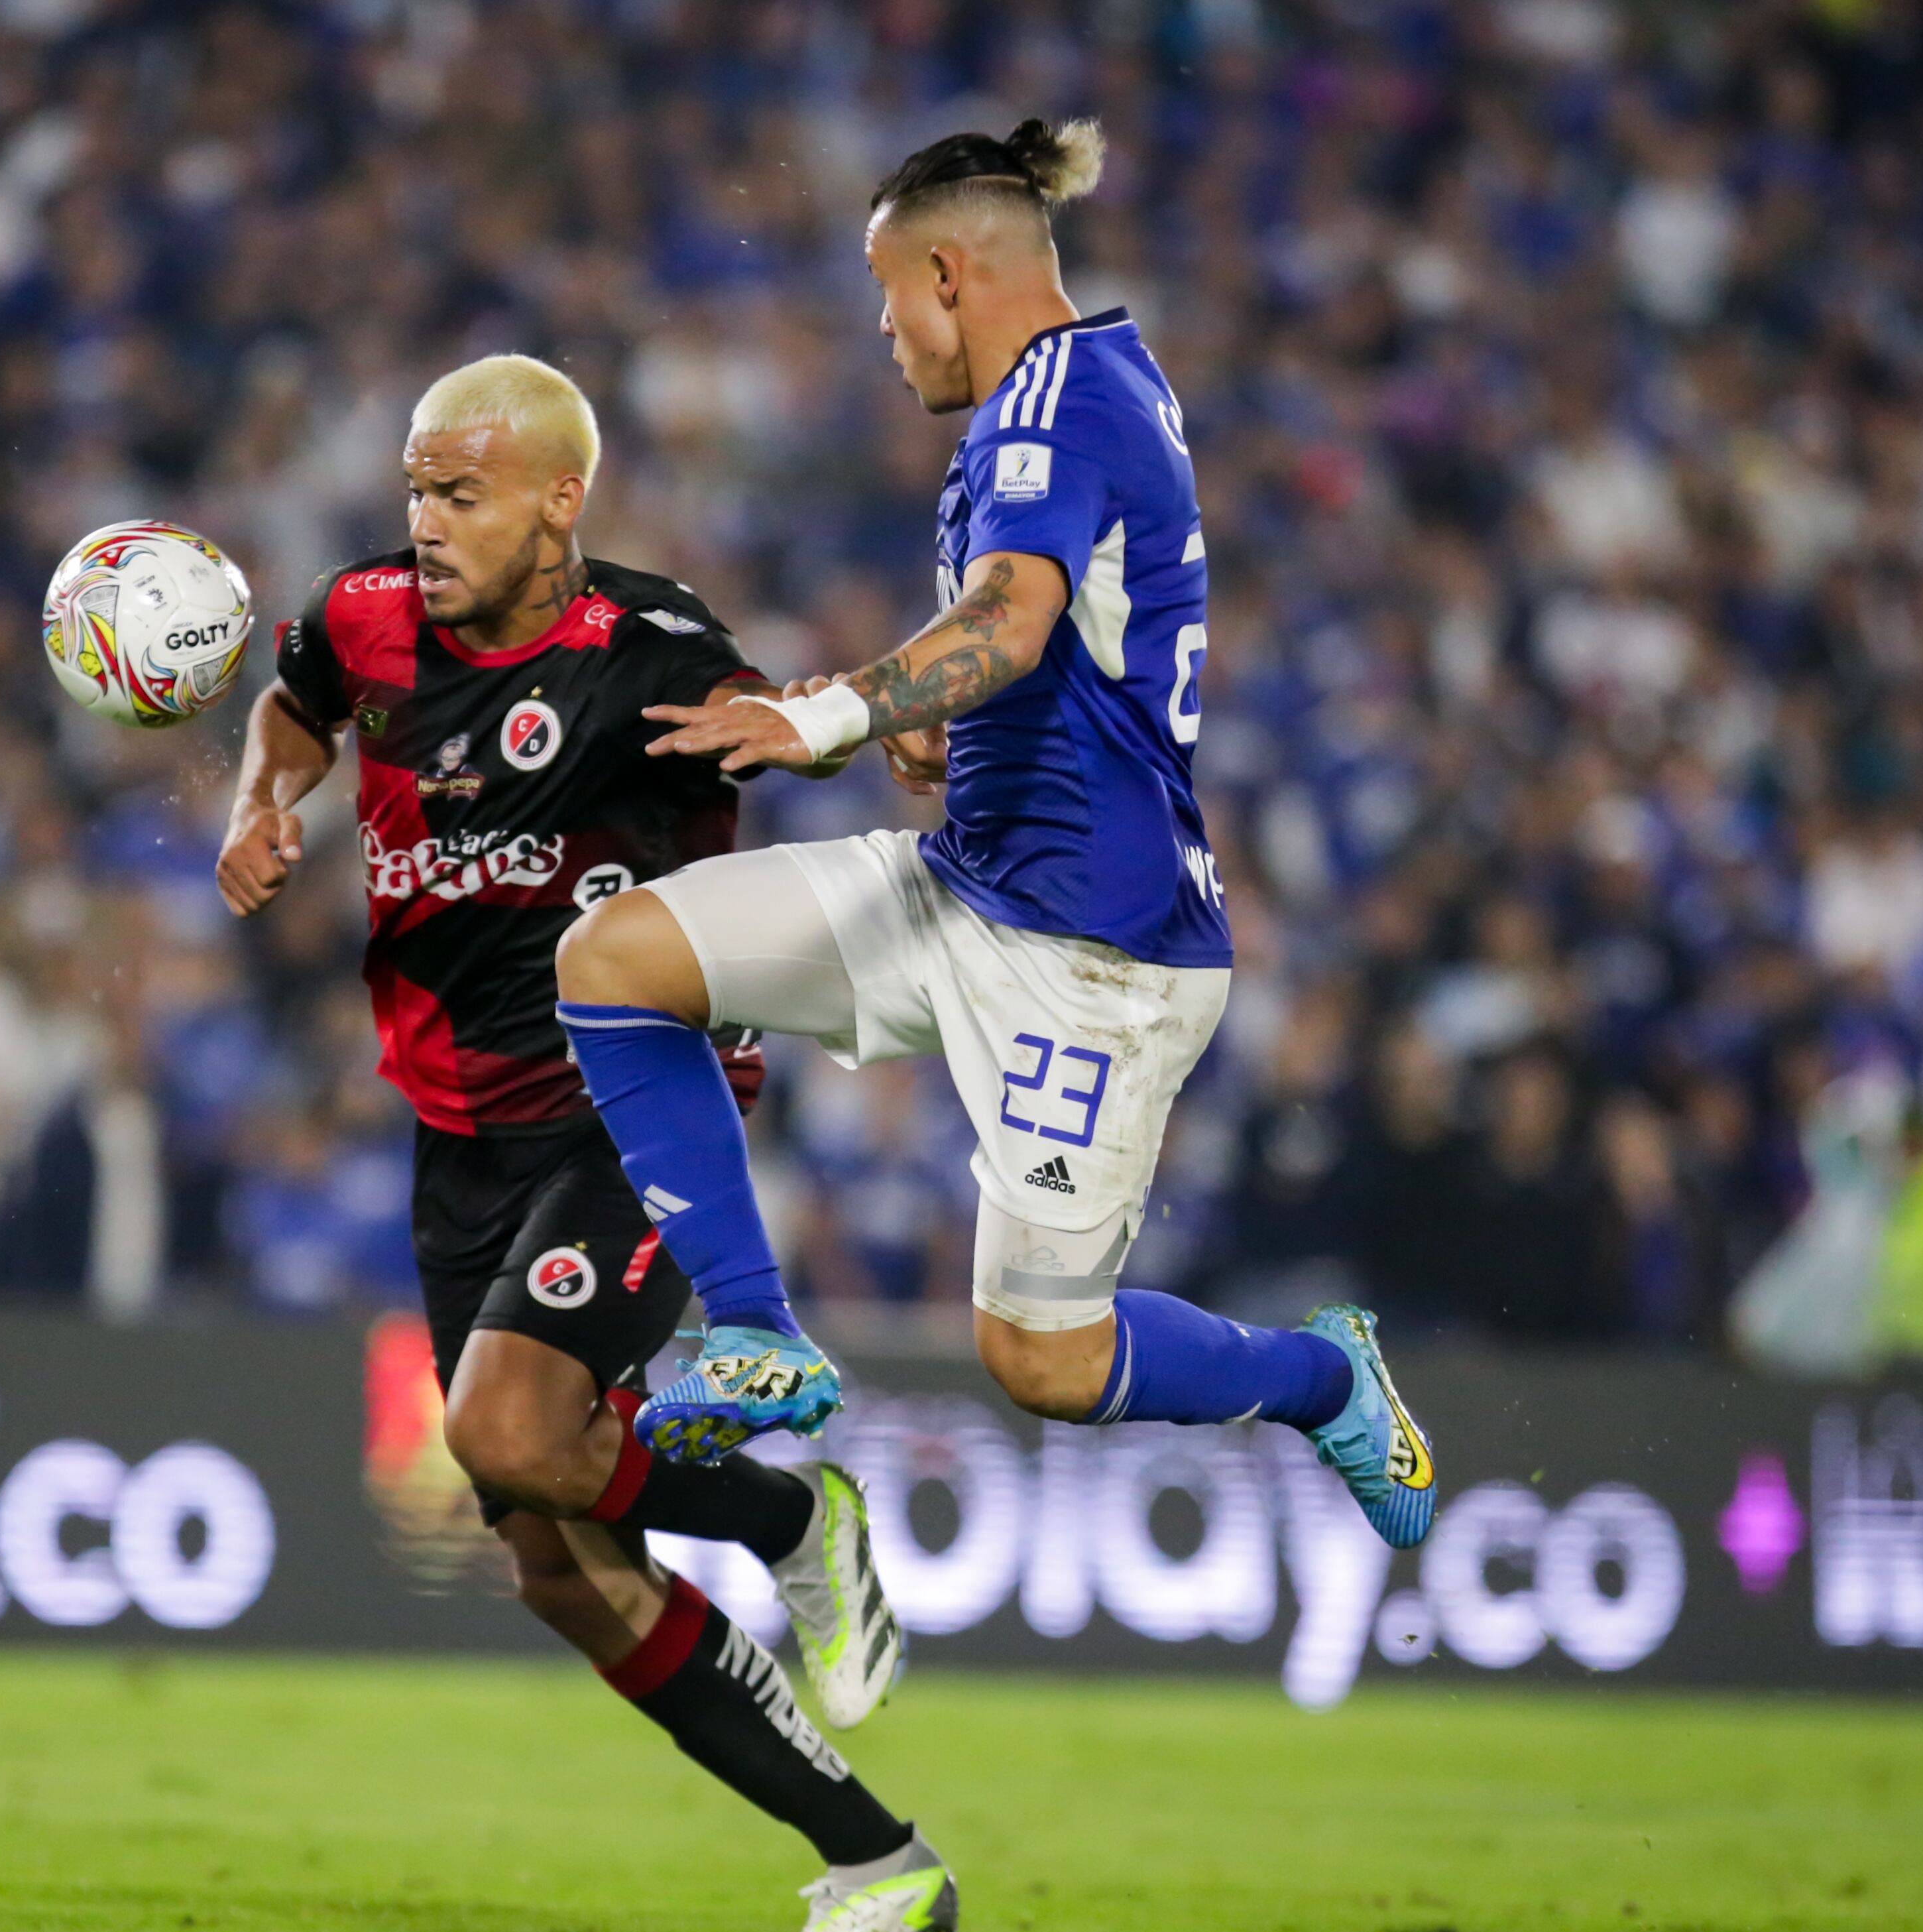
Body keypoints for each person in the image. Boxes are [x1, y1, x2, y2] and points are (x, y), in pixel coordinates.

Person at [552, 119, 1442, 1554]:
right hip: (970, 881)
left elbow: (1016, 624)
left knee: (1043, 1363)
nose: (884, 331)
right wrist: (933, 718)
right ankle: (757, 1336)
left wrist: (839, 710)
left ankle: (1325, 1373)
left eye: (887, 293)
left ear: (951, 274)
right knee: (617, 956)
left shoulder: (1050, 411)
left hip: (1096, 954)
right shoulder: (1076, 390)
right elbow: (1049, 636)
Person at [216, 355, 951, 1932]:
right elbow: (291, 712)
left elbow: (777, 727)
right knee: (553, 1559)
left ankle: (782, 1514)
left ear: (561, 501)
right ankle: (880, 1861)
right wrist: (260, 804)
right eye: (414, 487)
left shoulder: (643, 648)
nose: (422, 522)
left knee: (506, 1423)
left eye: (458, 492)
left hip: (632, 1115)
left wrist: (889, 740)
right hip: (457, 1133)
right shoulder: (358, 622)